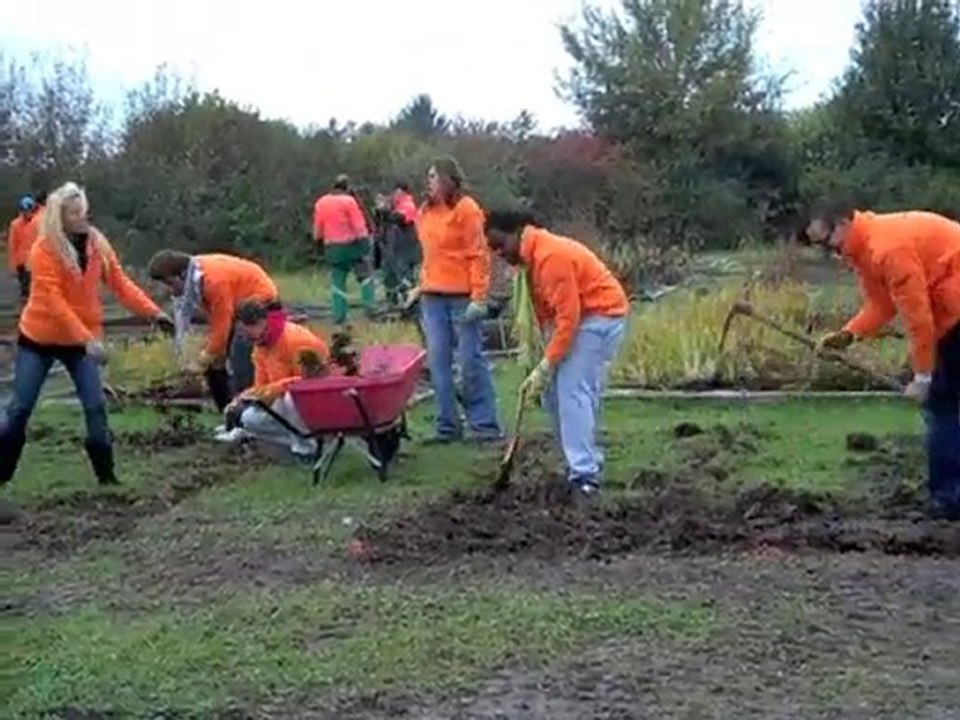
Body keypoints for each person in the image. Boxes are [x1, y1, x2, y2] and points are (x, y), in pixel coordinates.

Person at [0, 182, 173, 488]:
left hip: (80, 341)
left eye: (84, 212)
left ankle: (107, 478)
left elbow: (120, 284)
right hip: (39, 338)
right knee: (20, 409)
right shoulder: (44, 250)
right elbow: (54, 304)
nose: (84, 218)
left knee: (95, 405)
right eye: (76, 213)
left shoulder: (97, 245)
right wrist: (87, 339)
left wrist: (153, 313)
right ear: (60, 217)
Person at [803, 205, 960, 519]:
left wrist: (923, 378)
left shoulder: (887, 249)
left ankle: (949, 500)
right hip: (949, 305)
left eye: (827, 242)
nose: (828, 252)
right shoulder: (865, 249)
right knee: (946, 403)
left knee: (941, 405)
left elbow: (919, 320)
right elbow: (882, 304)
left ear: (845, 222)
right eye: (818, 247)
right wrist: (849, 335)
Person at [484, 210, 630, 496]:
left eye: (501, 245)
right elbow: (546, 314)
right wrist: (539, 359)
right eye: (493, 249)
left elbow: (569, 319)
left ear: (517, 232)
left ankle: (585, 475)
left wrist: (546, 365)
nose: (499, 253)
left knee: (573, 390)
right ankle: (585, 459)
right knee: (552, 395)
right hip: (581, 318)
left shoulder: (551, 257)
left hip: (602, 316)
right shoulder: (530, 260)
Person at [408, 156, 502, 444]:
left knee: (471, 359)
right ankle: (447, 426)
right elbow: (431, 254)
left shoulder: (467, 209)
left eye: (434, 176)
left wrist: (479, 295)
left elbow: (478, 254)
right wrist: (420, 286)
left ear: (448, 179)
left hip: (462, 297)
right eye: (428, 177)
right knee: (438, 361)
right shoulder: (424, 212)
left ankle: (485, 425)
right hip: (432, 296)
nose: (429, 182)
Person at [147, 250, 282, 411]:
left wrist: (205, 357)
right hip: (239, 305)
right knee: (214, 365)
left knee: (241, 359)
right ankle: (228, 415)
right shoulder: (196, 274)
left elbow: (222, 324)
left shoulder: (212, 282)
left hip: (261, 303)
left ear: (181, 275)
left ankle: (250, 414)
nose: (169, 290)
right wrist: (212, 352)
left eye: (169, 283)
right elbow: (216, 319)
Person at [214, 299, 329, 457]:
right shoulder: (260, 346)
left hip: (318, 399)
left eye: (247, 332)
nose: (245, 338)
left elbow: (306, 382)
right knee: (249, 419)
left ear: (260, 322)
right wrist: (245, 399)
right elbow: (261, 385)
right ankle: (299, 440)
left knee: (291, 398)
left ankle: (308, 448)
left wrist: (270, 391)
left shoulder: (296, 340)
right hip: (283, 398)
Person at [313, 174, 375, 324]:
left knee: (338, 281)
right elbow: (358, 225)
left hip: (332, 248)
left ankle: (339, 315)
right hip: (351, 247)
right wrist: (365, 242)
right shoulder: (349, 201)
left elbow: (317, 229)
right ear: (346, 187)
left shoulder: (321, 202)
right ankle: (370, 308)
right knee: (365, 277)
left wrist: (317, 243)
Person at [376, 182, 422, 308]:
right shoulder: (398, 206)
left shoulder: (407, 205)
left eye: (395, 192)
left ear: (401, 192)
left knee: (405, 278)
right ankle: (396, 302)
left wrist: (384, 211)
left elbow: (398, 219)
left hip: (407, 250)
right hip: (399, 250)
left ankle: (410, 305)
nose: (394, 195)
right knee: (395, 277)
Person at [6, 195, 39, 303]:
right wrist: (13, 265)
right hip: (22, 262)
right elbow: (12, 245)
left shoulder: (37, 223)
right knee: (25, 290)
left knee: (35, 288)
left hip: (35, 260)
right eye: (26, 210)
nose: (28, 213)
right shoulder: (15, 225)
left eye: (30, 210)